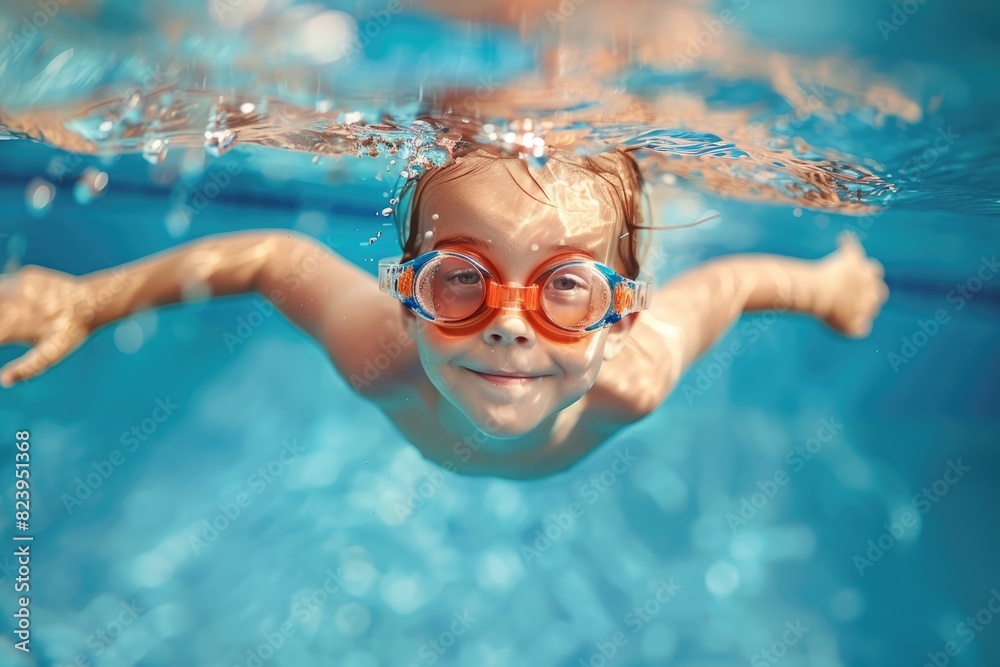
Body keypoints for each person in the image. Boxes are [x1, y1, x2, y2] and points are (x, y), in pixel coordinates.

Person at [0, 147, 888, 479]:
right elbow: (272, 259)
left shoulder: (635, 378)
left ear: (621, 315)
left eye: (566, 287)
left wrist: (830, 289)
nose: (509, 324)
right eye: (459, 279)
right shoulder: (380, 353)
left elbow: (729, 286)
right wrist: (90, 299)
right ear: (405, 296)